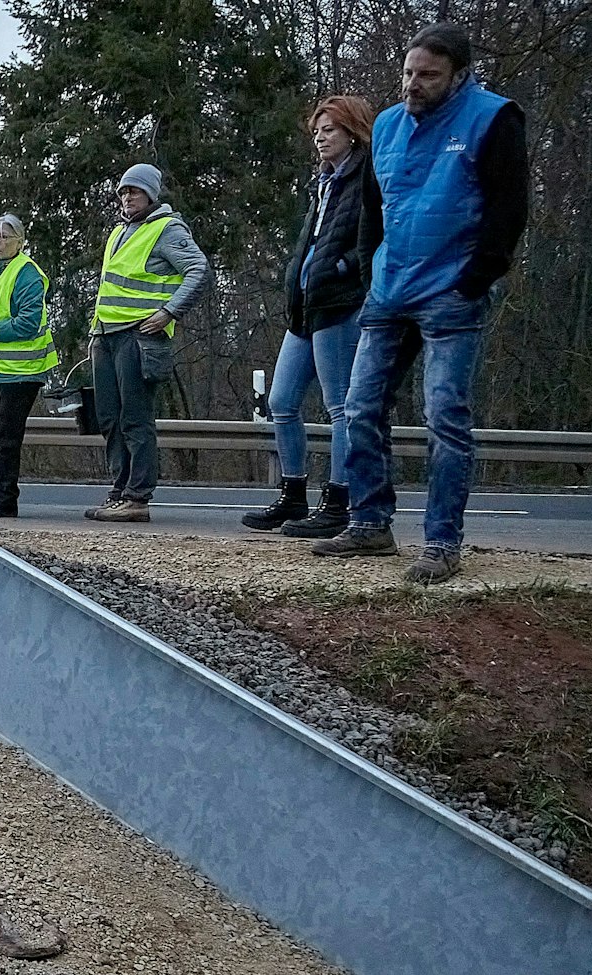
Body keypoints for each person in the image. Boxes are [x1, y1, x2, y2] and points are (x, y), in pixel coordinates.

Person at [311, 23, 528, 584]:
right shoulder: (385, 125)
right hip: (387, 291)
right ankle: (370, 523)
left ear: (458, 74)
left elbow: (509, 210)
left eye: (427, 75)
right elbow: (373, 210)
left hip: (451, 294)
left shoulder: (493, 118)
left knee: (445, 417)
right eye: (408, 72)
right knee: (359, 408)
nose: (413, 84)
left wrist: (474, 280)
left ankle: (442, 542)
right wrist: (369, 270)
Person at [243, 95, 382, 536]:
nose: (320, 138)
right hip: (306, 304)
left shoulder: (367, 176)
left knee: (339, 405)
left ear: (353, 131)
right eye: (317, 131)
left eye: (330, 130)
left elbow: (371, 241)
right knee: (281, 401)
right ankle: (293, 496)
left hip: (339, 304)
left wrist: (343, 272)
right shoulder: (323, 181)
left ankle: (338, 502)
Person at [83, 164, 213, 522]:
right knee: (109, 417)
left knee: (135, 419)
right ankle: (119, 491)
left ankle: (137, 496)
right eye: (123, 191)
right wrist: (95, 332)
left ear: (152, 194)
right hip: (107, 335)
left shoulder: (167, 229)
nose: (127, 197)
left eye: (135, 191)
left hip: (139, 337)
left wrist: (170, 312)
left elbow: (198, 269)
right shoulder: (118, 232)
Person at [0, 214, 60, 518]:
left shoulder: (27, 274)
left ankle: (3, 498)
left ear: (20, 242)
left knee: (5, 437)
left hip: (22, 371)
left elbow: (28, 323)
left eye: (5, 236)